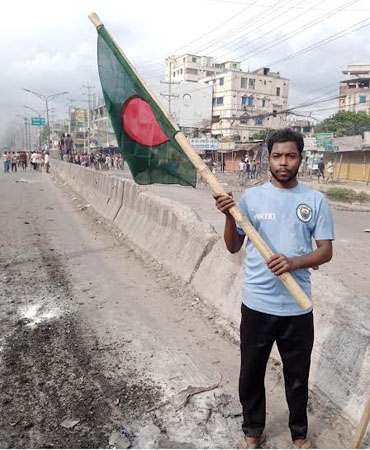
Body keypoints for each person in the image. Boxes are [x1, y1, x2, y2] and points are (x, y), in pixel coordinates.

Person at [214, 128, 334, 449]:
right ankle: (253, 431)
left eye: (291, 156)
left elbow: (325, 251)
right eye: (277, 156)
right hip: (256, 305)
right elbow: (232, 247)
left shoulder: (314, 201)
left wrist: (293, 263)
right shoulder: (251, 198)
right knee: (250, 375)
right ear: (268, 159)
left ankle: (299, 434)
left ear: (301, 159)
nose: (284, 163)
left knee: (297, 378)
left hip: (297, 308)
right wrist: (229, 216)